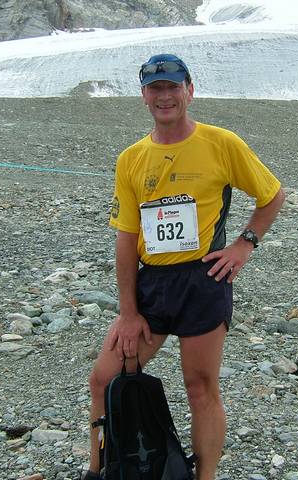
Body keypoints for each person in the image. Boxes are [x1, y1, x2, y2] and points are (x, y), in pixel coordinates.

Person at [82, 53, 285, 480]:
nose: (165, 96)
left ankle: (204, 476)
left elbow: (271, 195)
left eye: (173, 87)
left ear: (189, 91)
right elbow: (125, 238)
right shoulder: (131, 158)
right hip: (151, 284)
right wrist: (128, 312)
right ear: (143, 97)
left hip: (203, 279)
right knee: (103, 379)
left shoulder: (221, 143)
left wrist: (243, 245)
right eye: (155, 89)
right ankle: (100, 470)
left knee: (201, 389)